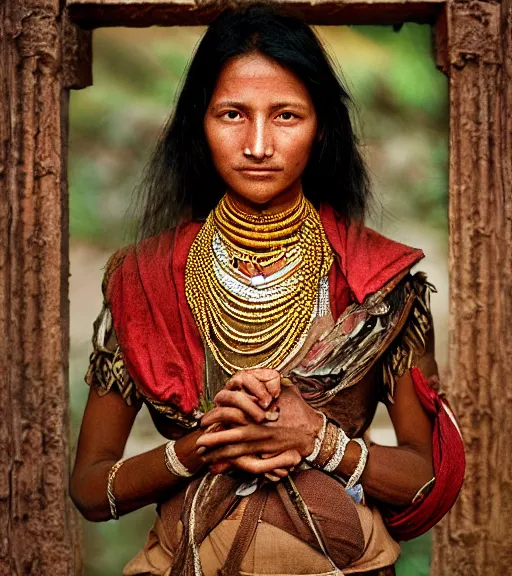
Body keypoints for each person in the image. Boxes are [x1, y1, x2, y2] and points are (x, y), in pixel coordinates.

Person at [70, 4, 465, 575]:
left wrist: (317, 439)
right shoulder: (143, 280)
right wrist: (201, 447)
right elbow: (88, 487)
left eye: (286, 116)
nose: (258, 144)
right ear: (198, 123)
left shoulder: (380, 281)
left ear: (321, 125)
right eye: (232, 114)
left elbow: (426, 478)